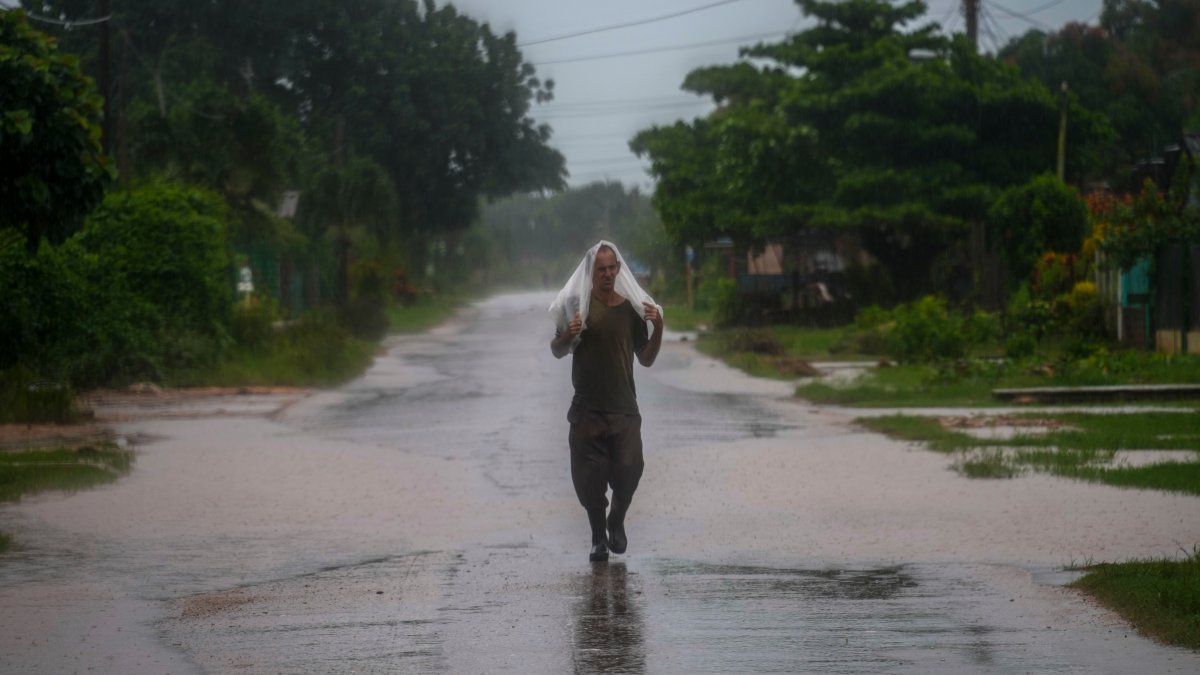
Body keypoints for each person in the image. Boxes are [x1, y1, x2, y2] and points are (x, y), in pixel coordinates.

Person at [550, 242, 663, 562]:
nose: (608, 274)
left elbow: (647, 359)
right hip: (586, 410)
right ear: (591, 272)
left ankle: (617, 520)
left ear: (619, 268)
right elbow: (556, 350)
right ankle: (598, 538)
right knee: (590, 479)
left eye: (613, 268)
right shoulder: (577, 306)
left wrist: (659, 328)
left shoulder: (630, 308)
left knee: (630, 468)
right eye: (601, 269)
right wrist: (568, 335)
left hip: (624, 408)